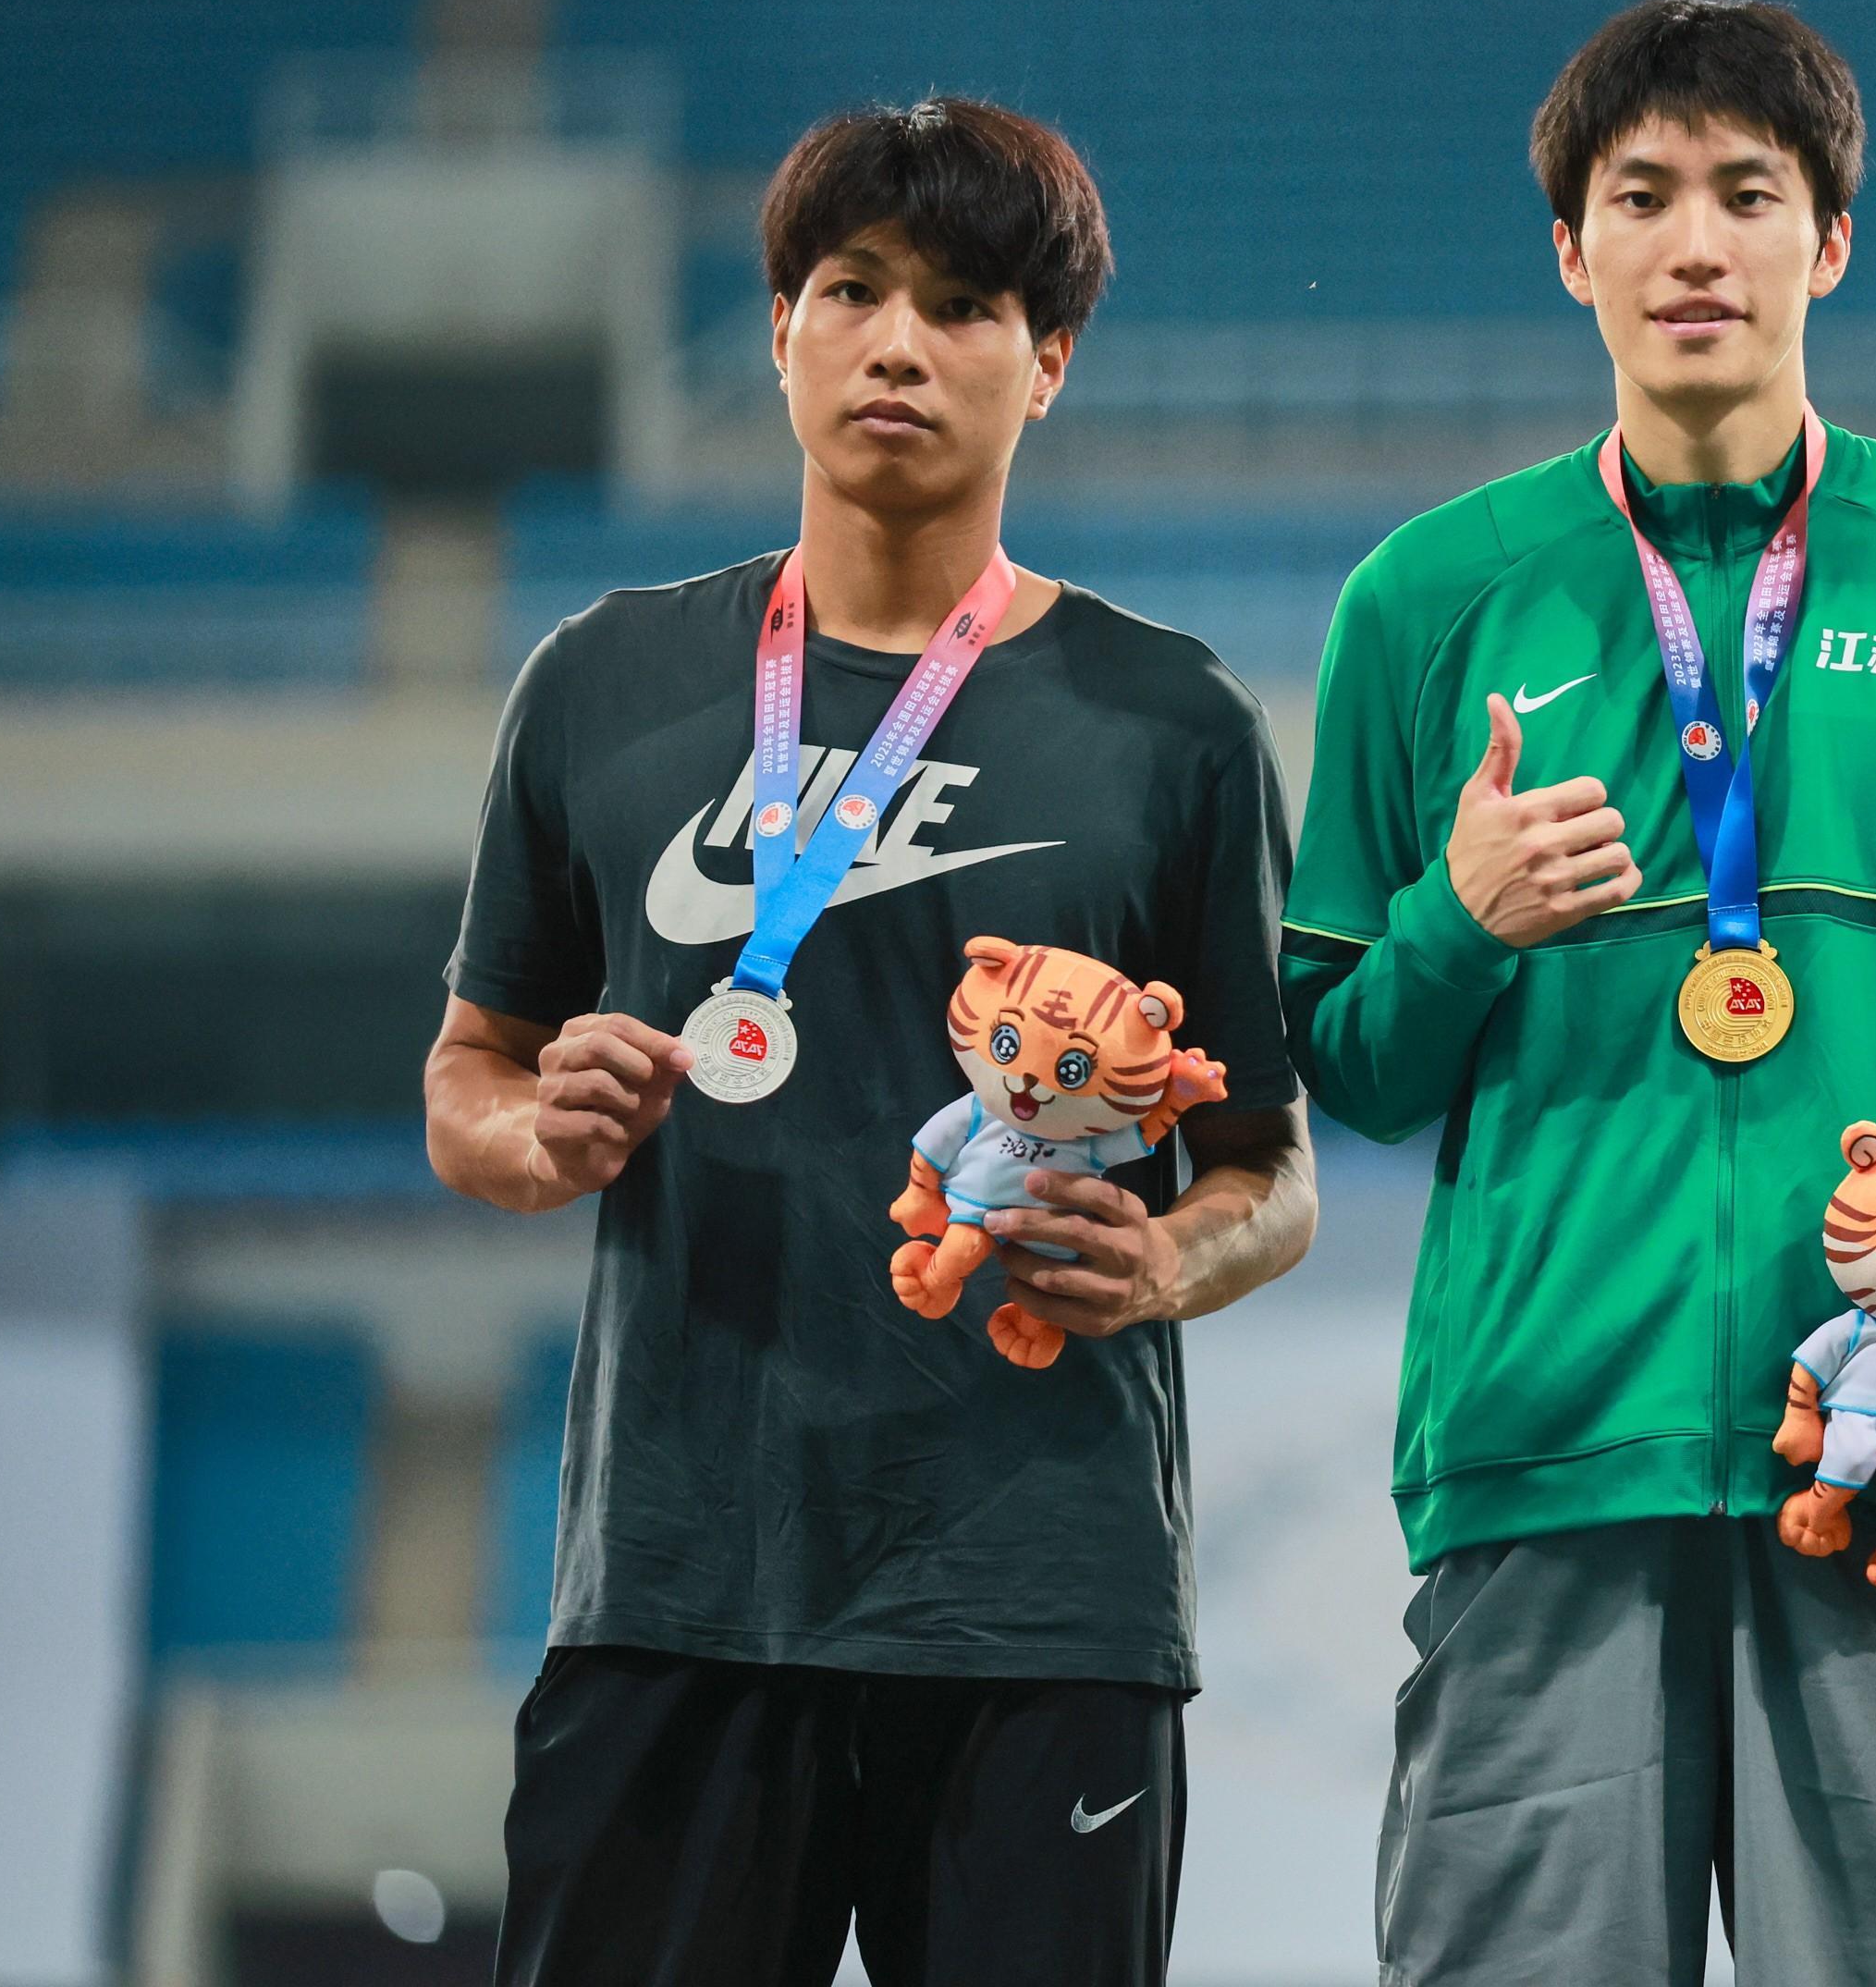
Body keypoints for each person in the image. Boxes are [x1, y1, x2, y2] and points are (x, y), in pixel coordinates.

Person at [1281, 0, 1876, 1984]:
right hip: (1547, 1464)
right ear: (1568, 249)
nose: (1694, 244)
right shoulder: (1425, 599)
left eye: (1748, 194)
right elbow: (1350, 1065)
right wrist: (1459, 922)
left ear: (1828, 241)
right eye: (1641, 195)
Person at [423, 95, 1313, 1985]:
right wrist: (535, 1136)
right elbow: (467, 1075)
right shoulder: (601, 682)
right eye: (852, 290)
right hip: (676, 1589)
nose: (898, 342)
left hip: (1041, 1610)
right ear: (779, 329)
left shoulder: (1175, 728)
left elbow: (1272, 1170)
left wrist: (1168, 1260)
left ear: (1047, 362)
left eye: (965, 305)